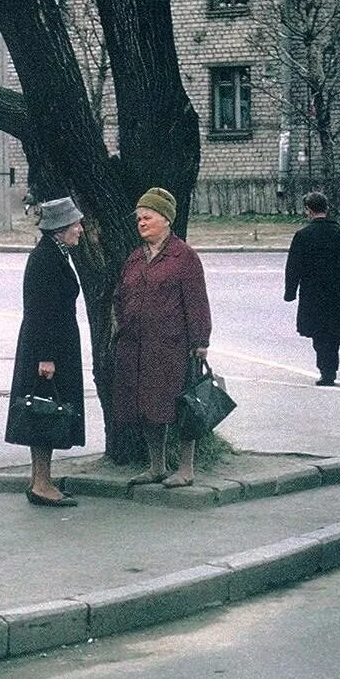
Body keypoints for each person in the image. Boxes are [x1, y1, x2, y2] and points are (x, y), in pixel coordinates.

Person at [113, 187, 212, 488]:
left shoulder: (184, 257)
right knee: (146, 407)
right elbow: (121, 294)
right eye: (139, 218)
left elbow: (197, 301)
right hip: (136, 346)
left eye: (148, 217)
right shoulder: (134, 258)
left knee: (181, 405)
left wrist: (201, 341)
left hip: (172, 346)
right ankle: (157, 466)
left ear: (166, 220)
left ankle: (186, 468)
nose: (141, 223)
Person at [5, 197, 88, 508]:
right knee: (44, 411)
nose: (80, 228)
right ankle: (41, 484)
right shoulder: (45, 259)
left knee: (47, 411)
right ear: (60, 229)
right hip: (47, 348)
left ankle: (42, 480)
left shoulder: (56, 254)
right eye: (75, 224)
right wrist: (46, 357)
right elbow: (38, 310)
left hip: (54, 345)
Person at [283, 191, 340, 386]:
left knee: (319, 333)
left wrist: (290, 292)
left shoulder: (303, 235)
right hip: (338, 291)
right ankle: (330, 368)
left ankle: (326, 370)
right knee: (333, 331)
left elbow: (293, 267)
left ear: (309, 210)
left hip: (313, 293)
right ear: (326, 208)